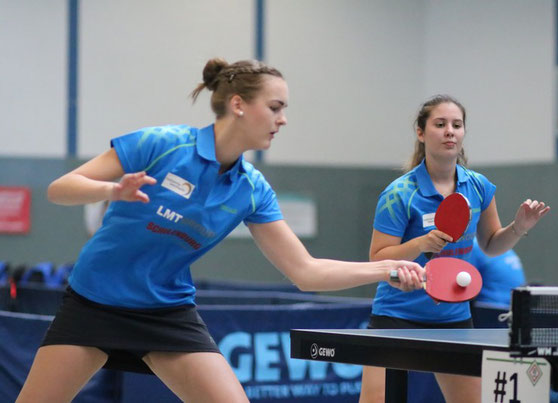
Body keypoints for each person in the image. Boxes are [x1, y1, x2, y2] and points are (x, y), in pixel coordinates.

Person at [16, 58, 425, 403]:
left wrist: (385, 269)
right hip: (94, 302)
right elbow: (60, 189)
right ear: (238, 104)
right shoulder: (163, 144)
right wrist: (112, 190)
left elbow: (306, 272)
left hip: (165, 313)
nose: (283, 120)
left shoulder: (252, 191)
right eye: (276, 107)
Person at [358, 94, 550, 403]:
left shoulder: (478, 187)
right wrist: (421, 243)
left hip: (453, 316)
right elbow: (377, 258)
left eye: (457, 125)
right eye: (440, 124)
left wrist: (518, 229)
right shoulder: (399, 194)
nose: (450, 131)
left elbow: (490, 245)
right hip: (397, 314)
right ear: (421, 133)